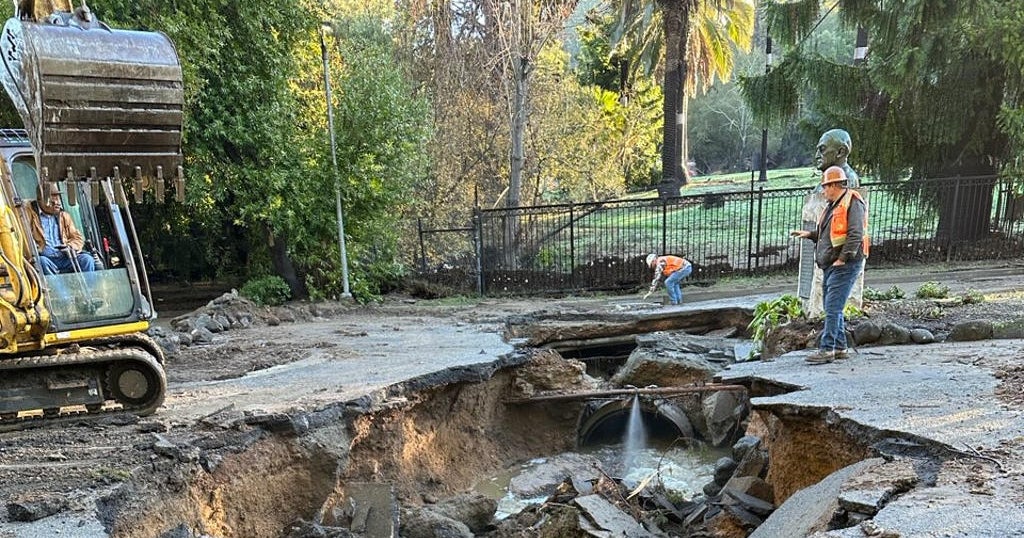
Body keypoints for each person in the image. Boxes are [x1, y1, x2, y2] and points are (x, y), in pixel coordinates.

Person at [790, 166, 869, 364]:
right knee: (832, 306)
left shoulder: (852, 202)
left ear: (834, 185)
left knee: (833, 307)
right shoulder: (834, 204)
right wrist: (809, 235)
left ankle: (827, 349)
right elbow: (830, 234)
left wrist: (842, 258)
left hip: (844, 264)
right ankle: (840, 346)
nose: (824, 191)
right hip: (833, 264)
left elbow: (855, 234)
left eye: (825, 187)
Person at [27, 182, 96, 275]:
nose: (57, 202)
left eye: (58, 196)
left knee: (87, 260)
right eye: (53, 196)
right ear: (41, 199)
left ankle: (90, 289)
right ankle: (57, 289)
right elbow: (24, 240)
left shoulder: (64, 216)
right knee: (41, 262)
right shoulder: (28, 215)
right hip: (46, 259)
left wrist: (70, 246)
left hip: (64, 258)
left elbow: (77, 238)